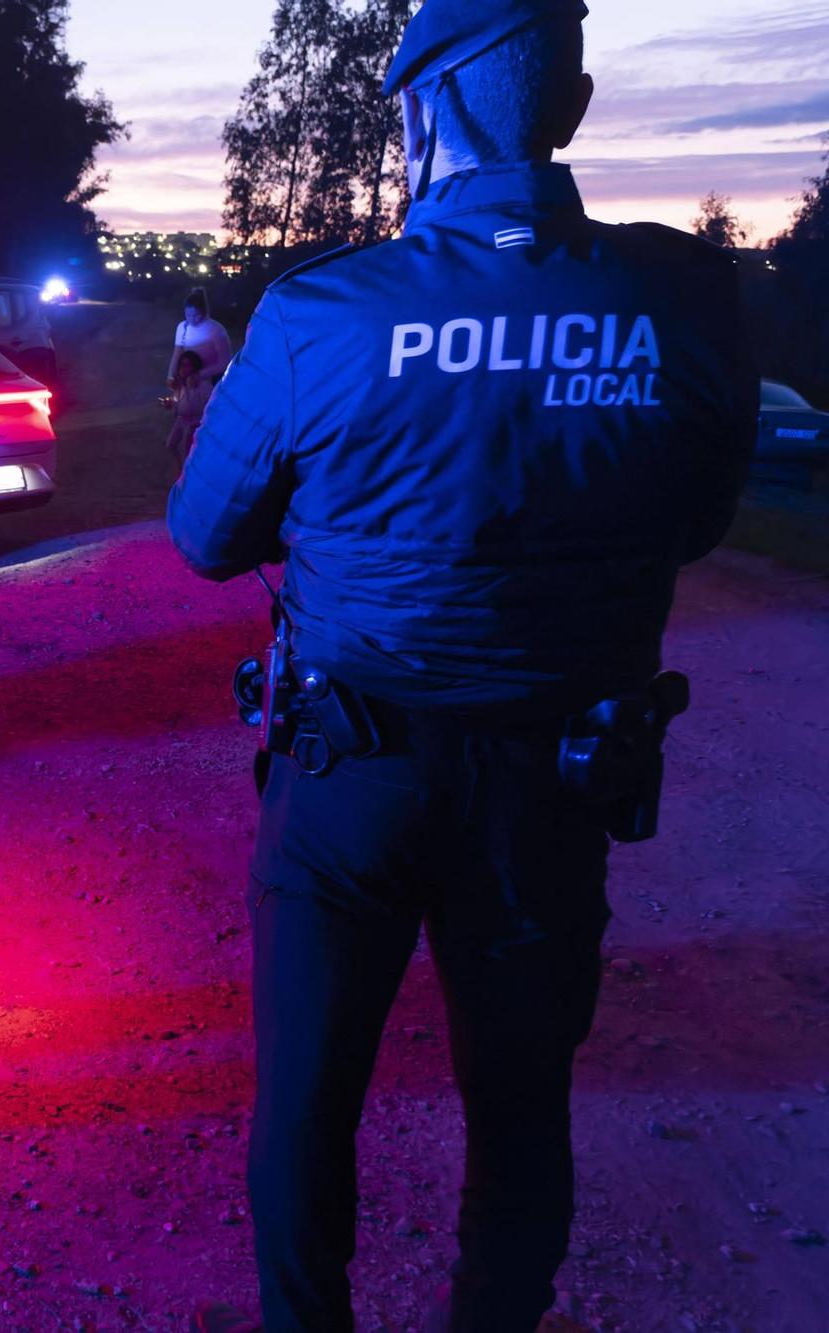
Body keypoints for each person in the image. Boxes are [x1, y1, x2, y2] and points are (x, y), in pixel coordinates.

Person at [171, 3, 755, 1330]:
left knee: (308, 1098)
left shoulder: (323, 313)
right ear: (577, 99)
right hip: (551, 784)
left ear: (426, 109)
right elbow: (703, 520)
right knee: (521, 1109)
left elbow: (208, 538)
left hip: (346, 780)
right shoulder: (682, 302)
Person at [169, 287, 232, 396]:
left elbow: (225, 362)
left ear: (203, 312)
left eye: (196, 315)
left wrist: (200, 375)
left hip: (213, 382)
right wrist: (171, 376)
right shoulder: (182, 327)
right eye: (188, 315)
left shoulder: (215, 329)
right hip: (188, 382)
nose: (192, 319)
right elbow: (177, 354)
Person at [162, 346, 212, 470]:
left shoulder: (203, 385)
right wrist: (170, 403)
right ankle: (179, 466)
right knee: (170, 445)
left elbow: (211, 403)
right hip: (181, 420)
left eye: (188, 365)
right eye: (182, 366)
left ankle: (187, 471)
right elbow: (177, 401)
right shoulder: (181, 384)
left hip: (194, 422)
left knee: (187, 450)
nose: (184, 369)